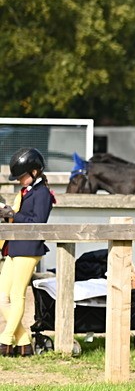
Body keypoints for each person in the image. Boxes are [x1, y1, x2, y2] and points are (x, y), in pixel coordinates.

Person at [0, 148, 54, 357]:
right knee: (2, 296)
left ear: (34, 172)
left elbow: (38, 222)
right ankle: (23, 342)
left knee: (16, 294)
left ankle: (5, 339)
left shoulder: (43, 194)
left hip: (29, 248)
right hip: (14, 246)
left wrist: (13, 214)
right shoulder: (26, 192)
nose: (20, 180)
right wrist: (8, 214)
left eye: (22, 176)